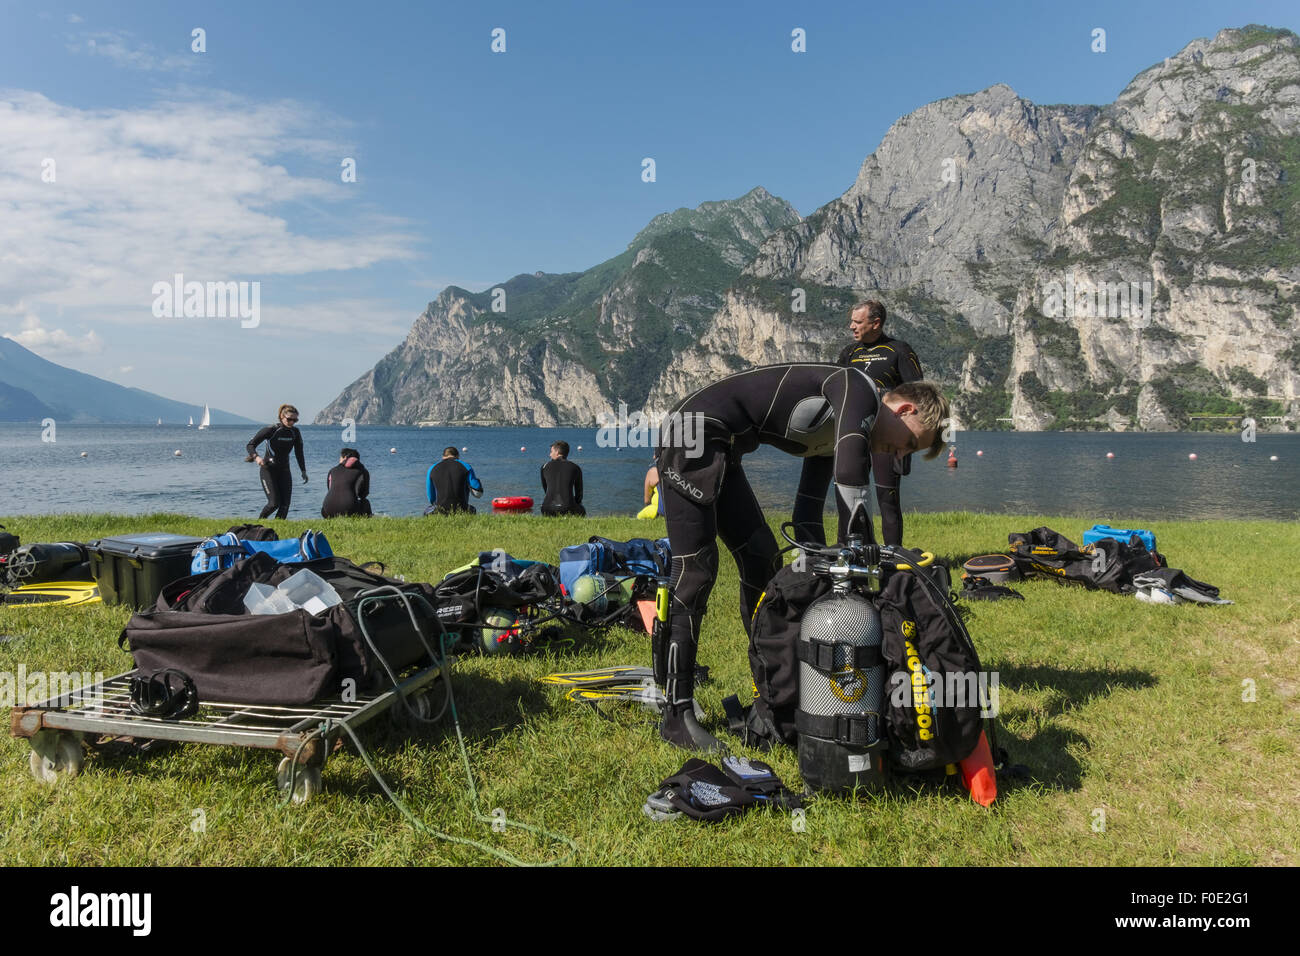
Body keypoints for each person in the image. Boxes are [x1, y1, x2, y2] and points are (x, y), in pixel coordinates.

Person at [654, 363, 948, 751]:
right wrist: (860, 554)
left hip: (721, 443)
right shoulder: (860, 391)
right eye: (910, 443)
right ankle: (676, 713)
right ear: (905, 409)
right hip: (691, 432)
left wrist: (835, 579)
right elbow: (850, 476)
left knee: (762, 562)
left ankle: (774, 697)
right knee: (694, 570)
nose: (899, 456)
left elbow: (807, 514)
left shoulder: (841, 425)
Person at [835, 300, 925, 546]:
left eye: (858, 322)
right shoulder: (849, 353)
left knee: (887, 498)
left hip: (888, 437)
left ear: (876, 323)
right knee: (851, 497)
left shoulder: (899, 350)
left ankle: (893, 556)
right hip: (854, 434)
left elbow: (919, 394)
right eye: (852, 320)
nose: (851, 326)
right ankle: (853, 552)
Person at [246, 404, 307, 520]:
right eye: (289, 419)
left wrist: (303, 470)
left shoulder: (295, 432)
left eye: (295, 420)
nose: (292, 422)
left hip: (284, 470)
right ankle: (259, 525)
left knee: (285, 505)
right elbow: (250, 445)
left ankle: (278, 527)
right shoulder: (271, 430)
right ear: (281, 417)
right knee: (274, 503)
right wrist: (257, 458)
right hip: (268, 470)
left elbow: (299, 453)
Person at [425, 446, 483, 515]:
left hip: (440, 511)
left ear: (443, 456)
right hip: (462, 510)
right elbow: (478, 493)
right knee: (473, 509)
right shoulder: (466, 467)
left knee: (427, 511)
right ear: (458, 456)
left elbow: (431, 498)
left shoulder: (432, 468)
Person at [321, 448, 372, 517]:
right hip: (349, 510)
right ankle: (367, 520)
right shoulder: (362, 471)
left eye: (340, 457)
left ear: (345, 458)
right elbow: (363, 495)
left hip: (328, 511)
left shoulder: (332, 470)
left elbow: (330, 489)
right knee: (366, 503)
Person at [539, 441, 585, 516]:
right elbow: (579, 494)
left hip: (546, 509)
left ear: (557, 452)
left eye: (551, 452)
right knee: (582, 509)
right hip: (567, 509)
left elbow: (546, 490)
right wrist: (575, 502)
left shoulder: (544, 467)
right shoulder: (575, 467)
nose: (550, 454)